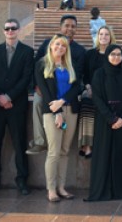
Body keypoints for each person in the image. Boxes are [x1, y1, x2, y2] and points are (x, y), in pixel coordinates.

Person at [0, 19, 34, 196]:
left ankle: (22, 179)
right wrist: (0, 98)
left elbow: (26, 77)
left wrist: (9, 96)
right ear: (4, 31)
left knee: (20, 142)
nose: (10, 31)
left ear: (18, 30)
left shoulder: (27, 52)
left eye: (13, 28)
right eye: (7, 28)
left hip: (17, 105)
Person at [27, 15, 86, 155]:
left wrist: (64, 98)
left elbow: (77, 78)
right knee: (37, 102)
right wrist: (38, 86)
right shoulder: (48, 43)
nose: (69, 29)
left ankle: (60, 144)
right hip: (46, 88)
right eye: (67, 25)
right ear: (60, 27)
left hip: (67, 93)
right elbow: (37, 66)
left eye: (73, 26)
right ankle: (40, 142)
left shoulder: (80, 51)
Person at [36, 34, 80, 202]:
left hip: (71, 109)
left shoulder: (70, 65)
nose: (60, 48)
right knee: (54, 152)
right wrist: (57, 111)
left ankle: (62, 187)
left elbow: (77, 86)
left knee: (65, 151)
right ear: (51, 46)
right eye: (57, 45)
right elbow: (45, 91)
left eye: (63, 46)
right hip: (52, 112)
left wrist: (63, 101)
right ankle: (51, 189)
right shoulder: (42, 64)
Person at [85, 44, 122, 201]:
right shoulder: (99, 74)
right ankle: (101, 191)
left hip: (121, 121)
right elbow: (97, 98)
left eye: (119, 54)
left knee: (118, 155)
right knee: (103, 153)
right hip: (105, 120)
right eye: (113, 54)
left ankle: (117, 191)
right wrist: (111, 118)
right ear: (107, 56)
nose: (116, 57)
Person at [79, 25, 116, 159]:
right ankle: (87, 145)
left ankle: (104, 146)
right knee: (86, 102)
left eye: (106, 34)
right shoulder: (90, 54)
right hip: (91, 90)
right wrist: (88, 87)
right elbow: (85, 75)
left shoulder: (114, 54)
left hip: (108, 92)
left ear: (110, 37)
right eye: (101, 34)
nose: (103, 37)